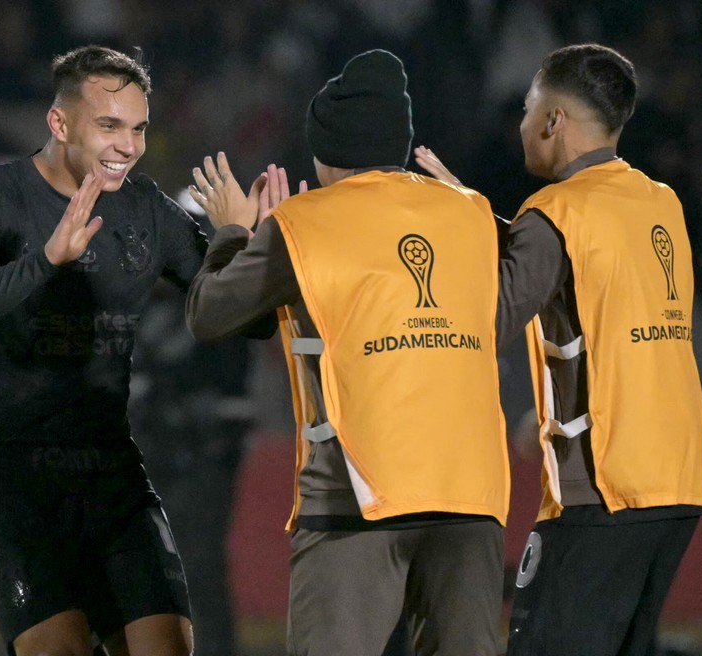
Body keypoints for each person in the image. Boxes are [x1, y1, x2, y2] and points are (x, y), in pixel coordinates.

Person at [184, 49, 510, 656]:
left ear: (323, 151)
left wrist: (236, 230)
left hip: (355, 499)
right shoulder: (471, 212)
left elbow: (209, 314)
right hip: (471, 497)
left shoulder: (304, 224)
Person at [418, 43, 702, 656]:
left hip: (599, 491)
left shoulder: (554, 212)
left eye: (528, 107)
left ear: (552, 120)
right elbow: (585, 277)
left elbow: (482, 322)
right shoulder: (660, 202)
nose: (521, 123)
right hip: (677, 483)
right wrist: (484, 220)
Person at [0, 45, 203, 656]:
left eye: (138, 128)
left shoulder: (147, 209)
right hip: (13, 483)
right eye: (109, 125)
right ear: (59, 124)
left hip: (113, 479)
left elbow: (236, 311)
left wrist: (242, 245)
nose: (128, 144)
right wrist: (46, 260)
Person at [128, 213, 255, 656]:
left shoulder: (220, 312)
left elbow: (232, 402)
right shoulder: (140, 312)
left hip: (201, 461)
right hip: (148, 458)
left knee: (197, 568)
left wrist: (195, 422)